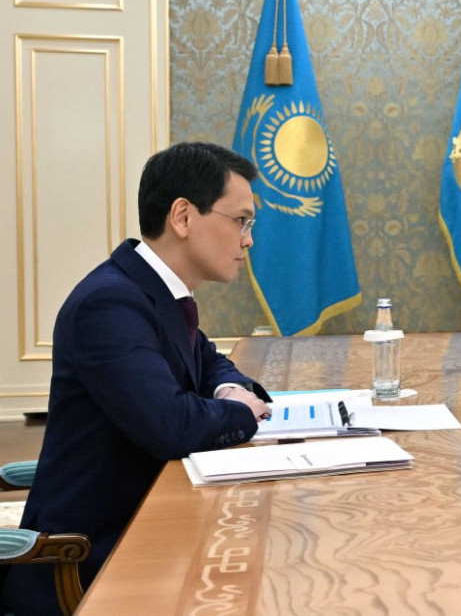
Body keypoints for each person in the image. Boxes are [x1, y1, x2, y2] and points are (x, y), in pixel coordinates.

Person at [1, 142, 273, 615]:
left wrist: (229, 388)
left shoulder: (153, 291)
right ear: (183, 217)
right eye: (241, 221)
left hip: (149, 527)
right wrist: (240, 412)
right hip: (93, 560)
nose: (248, 240)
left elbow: (208, 361)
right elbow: (170, 425)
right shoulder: (109, 304)